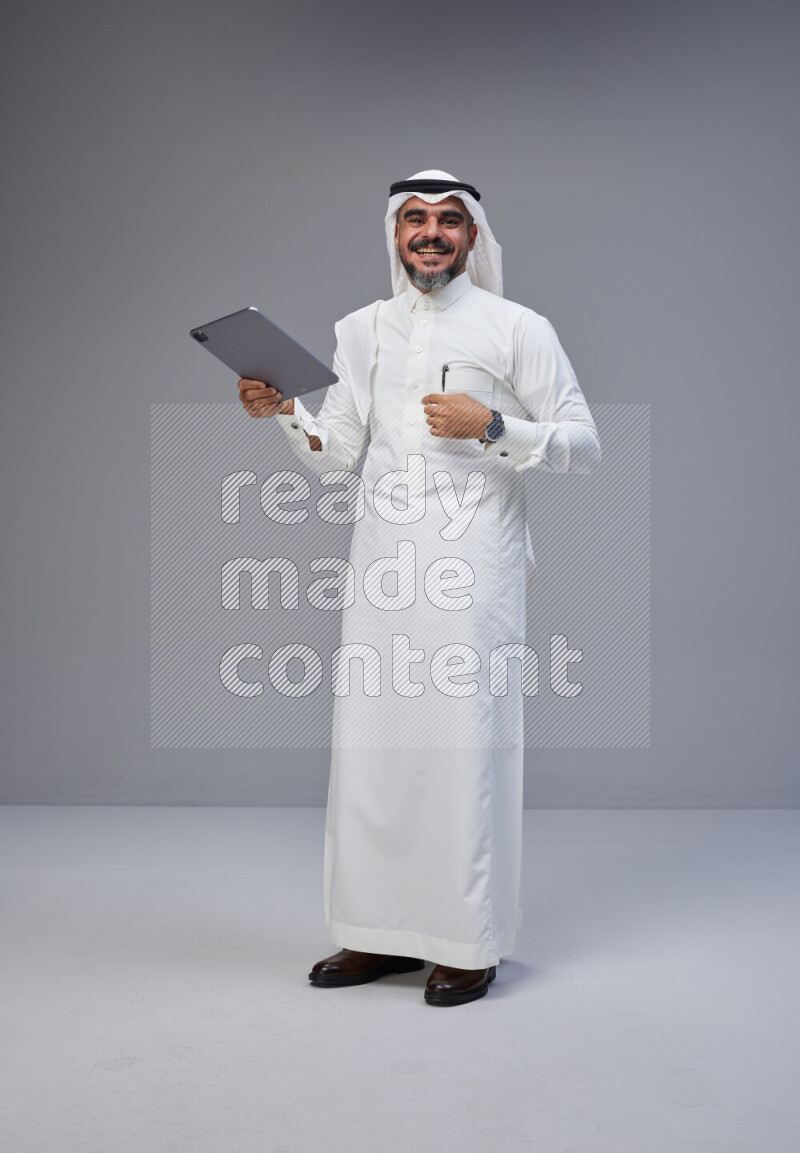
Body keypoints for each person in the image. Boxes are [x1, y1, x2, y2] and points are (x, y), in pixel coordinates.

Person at [238, 170, 601, 1006]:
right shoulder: (361, 329)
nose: (430, 233)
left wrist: (494, 425)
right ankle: (374, 933)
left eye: (447, 220)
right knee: (372, 742)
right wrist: (288, 410)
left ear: (473, 235)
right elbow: (338, 452)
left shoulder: (518, 327)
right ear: (395, 233)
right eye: (414, 219)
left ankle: (466, 942)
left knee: (461, 742)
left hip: (474, 562)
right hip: (381, 560)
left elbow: (585, 444)